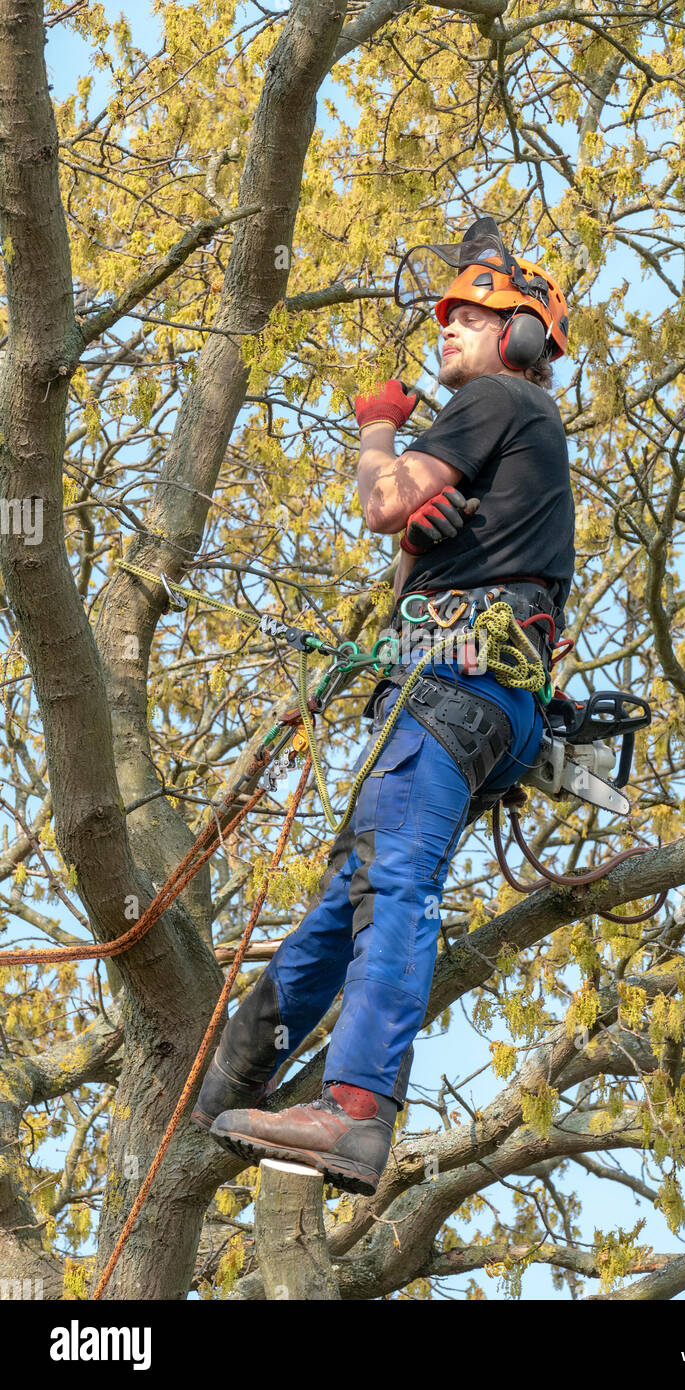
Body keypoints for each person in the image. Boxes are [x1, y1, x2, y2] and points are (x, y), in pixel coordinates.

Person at [192, 218, 576, 1196]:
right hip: (481, 694)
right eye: (447, 317)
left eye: (475, 318)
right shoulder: (521, 447)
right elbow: (416, 527)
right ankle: (231, 1075)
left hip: (452, 684)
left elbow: (378, 496)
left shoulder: (494, 399)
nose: (448, 330)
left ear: (521, 341)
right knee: (353, 887)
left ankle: (355, 1108)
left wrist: (376, 431)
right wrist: (427, 534)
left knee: (394, 881)